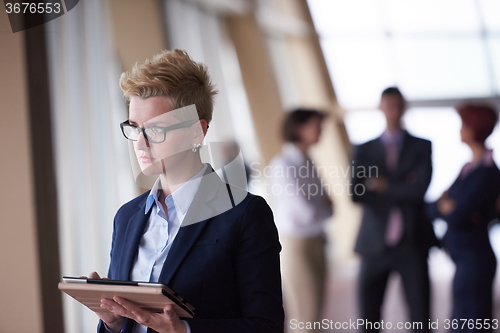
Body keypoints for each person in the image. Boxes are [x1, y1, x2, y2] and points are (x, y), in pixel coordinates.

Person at [89, 49, 284, 333]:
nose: (141, 144)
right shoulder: (127, 216)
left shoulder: (244, 214)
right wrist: (114, 321)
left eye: (155, 130)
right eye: (134, 128)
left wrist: (184, 331)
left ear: (197, 131)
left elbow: (266, 326)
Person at [351, 87, 437, 333]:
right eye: (388, 105)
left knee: (420, 318)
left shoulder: (422, 145)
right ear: (380, 107)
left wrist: (381, 184)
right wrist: (403, 184)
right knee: (368, 319)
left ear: (404, 108)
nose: (392, 111)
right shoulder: (364, 150)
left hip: (412, 242)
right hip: (374, 243)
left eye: (397, 106)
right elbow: (356, 194)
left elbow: (419, 189)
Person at [427, 105, 500, 332]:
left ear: (473, 128)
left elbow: (457, 214)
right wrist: (445, 206)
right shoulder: (468, 168)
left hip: (475, 260)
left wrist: (448, 205)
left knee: (471, 323)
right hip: (464, 259)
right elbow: (432, 209)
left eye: (464, 125)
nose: (460, 130)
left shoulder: (487, 172)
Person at [268, 109, 333, 333]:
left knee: (316, 315)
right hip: (298, 245)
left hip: (317, 240)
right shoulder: (283, 165)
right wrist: (323, 206)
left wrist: (323, 206)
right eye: (316, 125)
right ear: (299, 129)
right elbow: (307, 211)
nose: (321, 131)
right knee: (306, 317)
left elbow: (326, 205)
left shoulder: (307, 161)